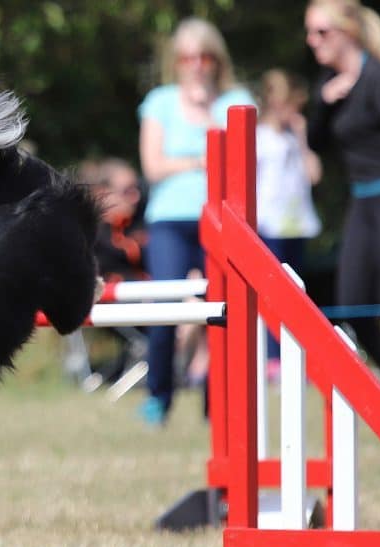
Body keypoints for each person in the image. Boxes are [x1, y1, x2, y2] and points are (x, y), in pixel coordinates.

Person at [137, 17, 255, 425]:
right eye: (187, 57)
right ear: (177, 61)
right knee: (164, 311)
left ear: (216, 60)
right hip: (170, 220)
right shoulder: (160, 102)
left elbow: (243, 163)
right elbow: (153, 167)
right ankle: (158, 396)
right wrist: (201, 160)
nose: (196, 65)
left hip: (222, 222)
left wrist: (206, 115)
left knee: (221, 314)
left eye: (204, 56)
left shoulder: (235, 99)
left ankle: (216, 401)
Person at [305, 0, 380, 382]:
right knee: (351, 303)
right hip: (362, 200)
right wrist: (323, 105)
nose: (313, 41)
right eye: (309, 33)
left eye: (322, 32)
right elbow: (315, 141)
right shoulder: (326, 85)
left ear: (349, 32)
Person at [256, 69, 323, 380]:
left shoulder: (292, 139)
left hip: (295, 225)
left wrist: (302, 139)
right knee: (274, 293)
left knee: (298, 293)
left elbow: (314, 174)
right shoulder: (259, 137)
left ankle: (293, 352)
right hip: (270, 226)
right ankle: (273, 356)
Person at [62, 158, 149, 391]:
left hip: (142, 299)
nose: (136, 197)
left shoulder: (137, 223)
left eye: (137, 189)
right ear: (104, 192)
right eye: (127, 191)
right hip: (112, 302)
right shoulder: (87, 231)